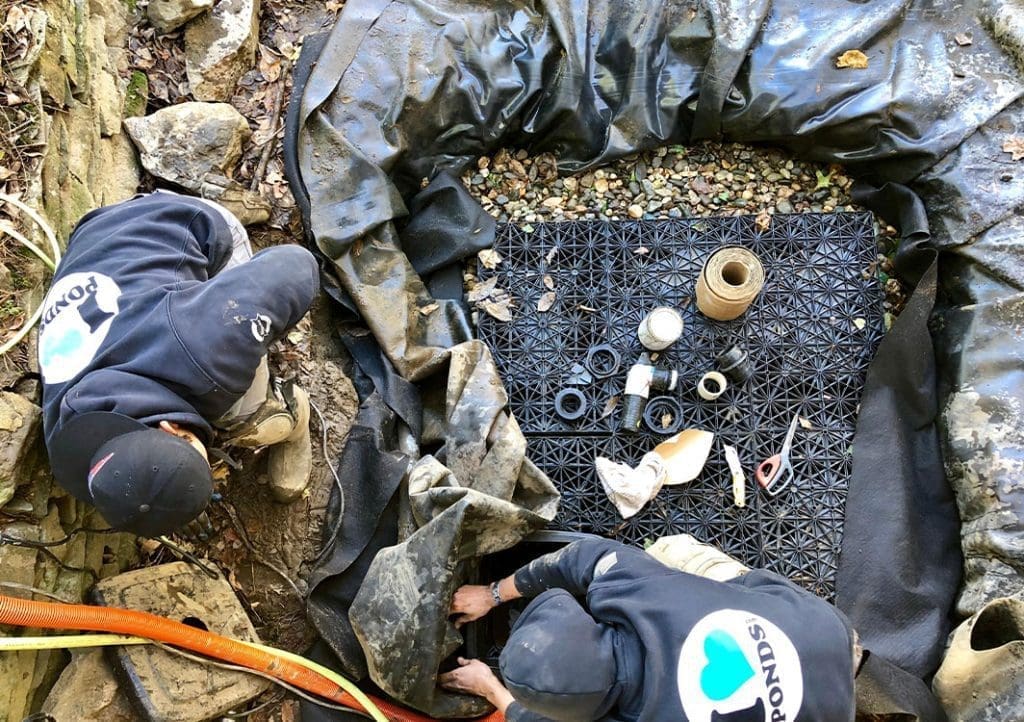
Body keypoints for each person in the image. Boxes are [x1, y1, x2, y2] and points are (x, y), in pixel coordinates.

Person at [38, 191, 320, 539]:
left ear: (173, 429)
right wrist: (171, 495)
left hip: (184, 224)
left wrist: (252, 332)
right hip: (97, 236)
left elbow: (296, 263)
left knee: (243, 415)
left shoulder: (207, 352)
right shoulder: (71, 439)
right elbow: (137, 488)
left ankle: (294, 417)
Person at [440, 536, 857, 721]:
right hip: (829, 633)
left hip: (834, 708)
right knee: (670, 551)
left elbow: (531, 720)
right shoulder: (642, 590)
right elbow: (584, 557)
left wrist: (487, 686)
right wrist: (494, 594)